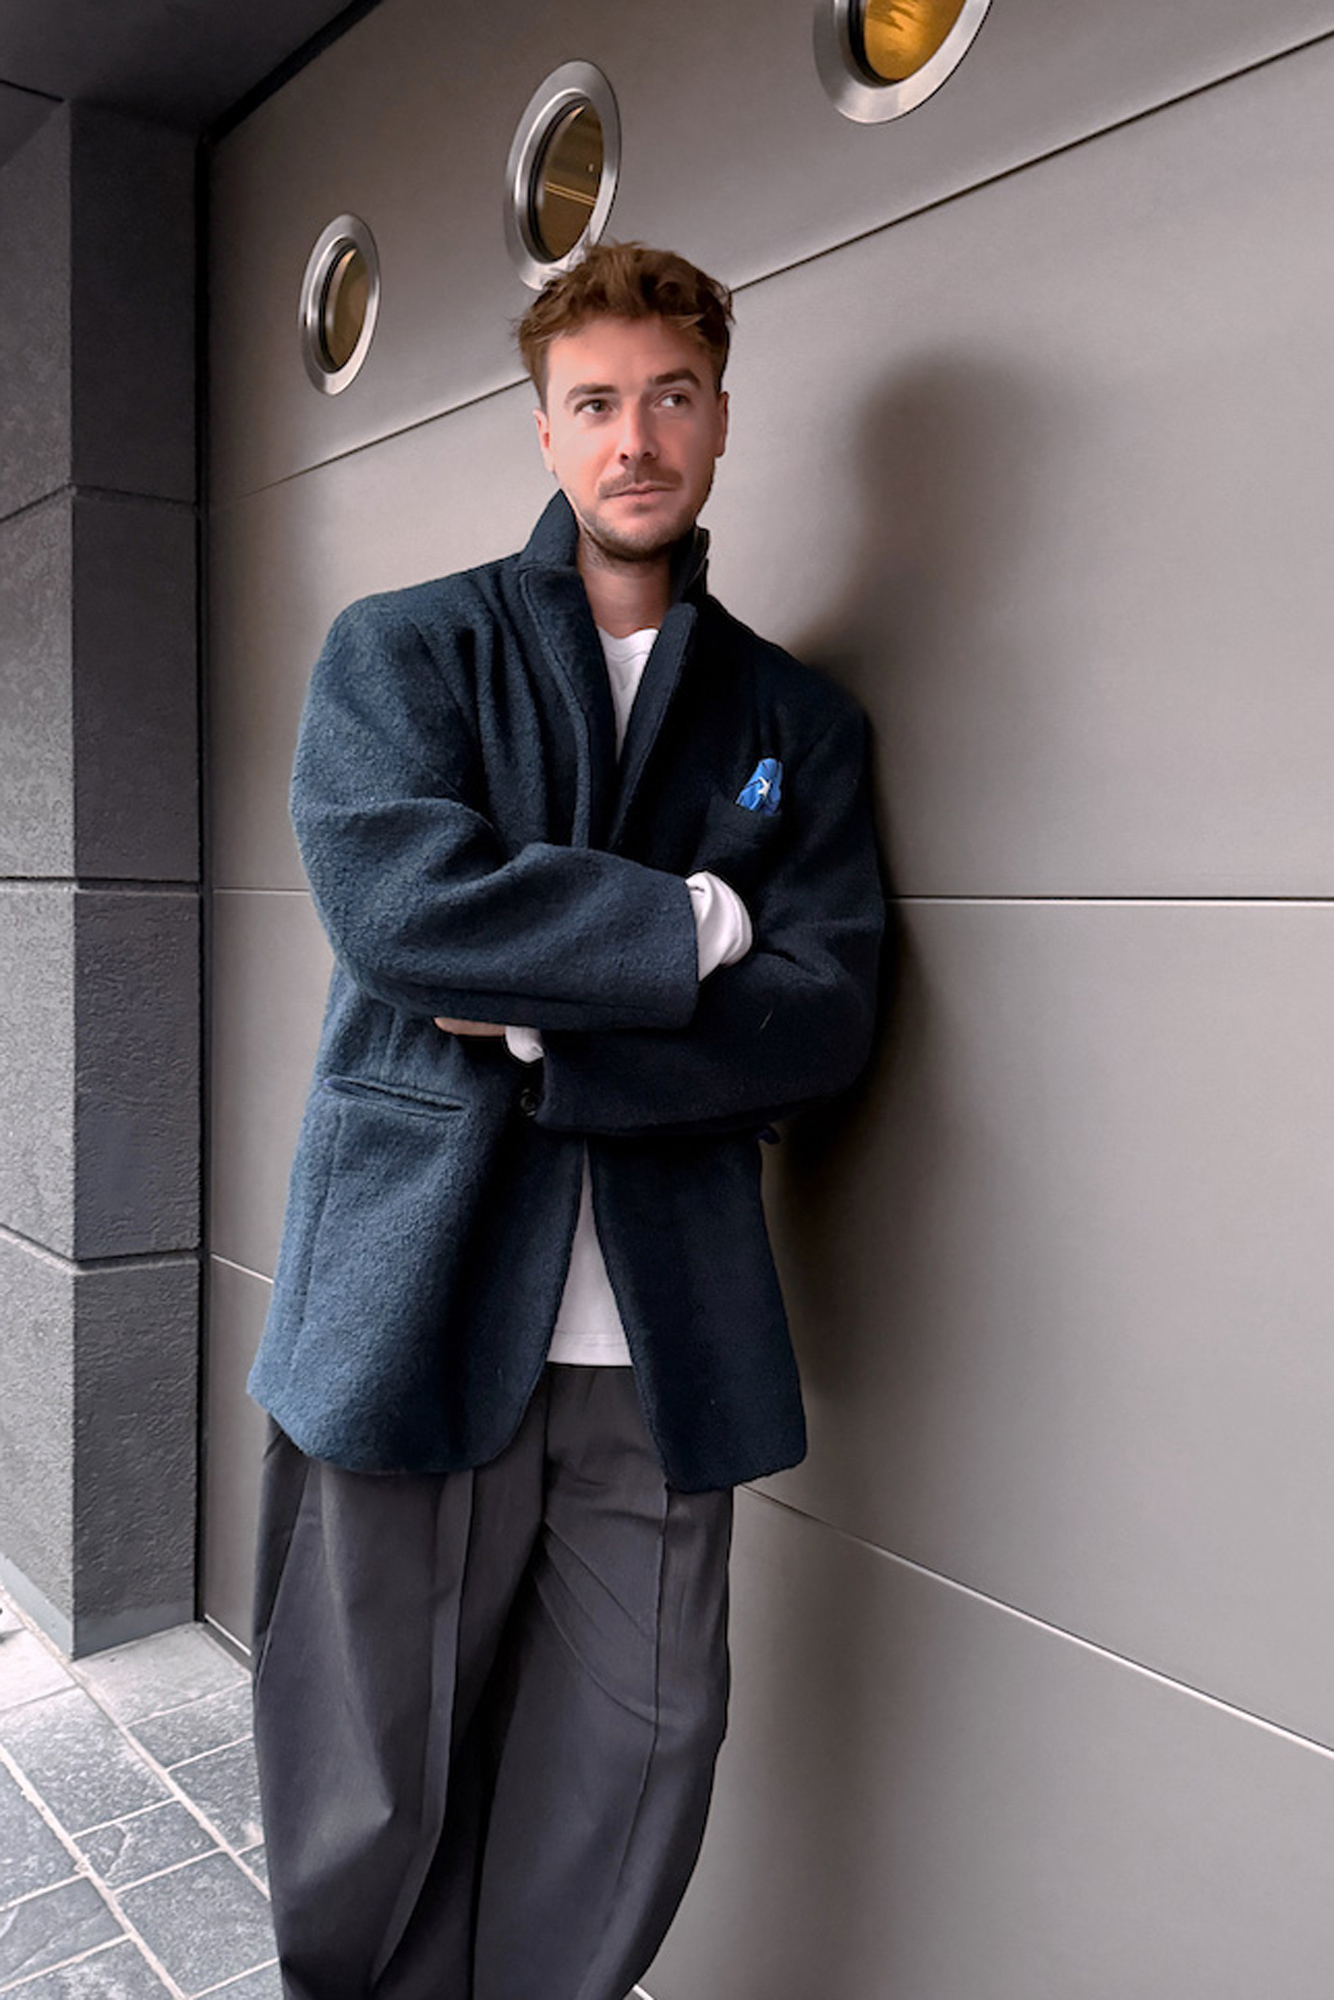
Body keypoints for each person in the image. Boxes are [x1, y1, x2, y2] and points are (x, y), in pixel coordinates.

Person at [247, 240, 886, 2000]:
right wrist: (693, 924)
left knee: (635, 1763)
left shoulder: (794, 717)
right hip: (420, 1291)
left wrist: (546, 1027)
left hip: (664, 1336)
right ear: (542, 431)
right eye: (594, 403)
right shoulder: (406, 652)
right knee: (371, 1766)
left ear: (721, 419)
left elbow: (823, 1014)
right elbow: (404, 916)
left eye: (670, 397)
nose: (634, 438)